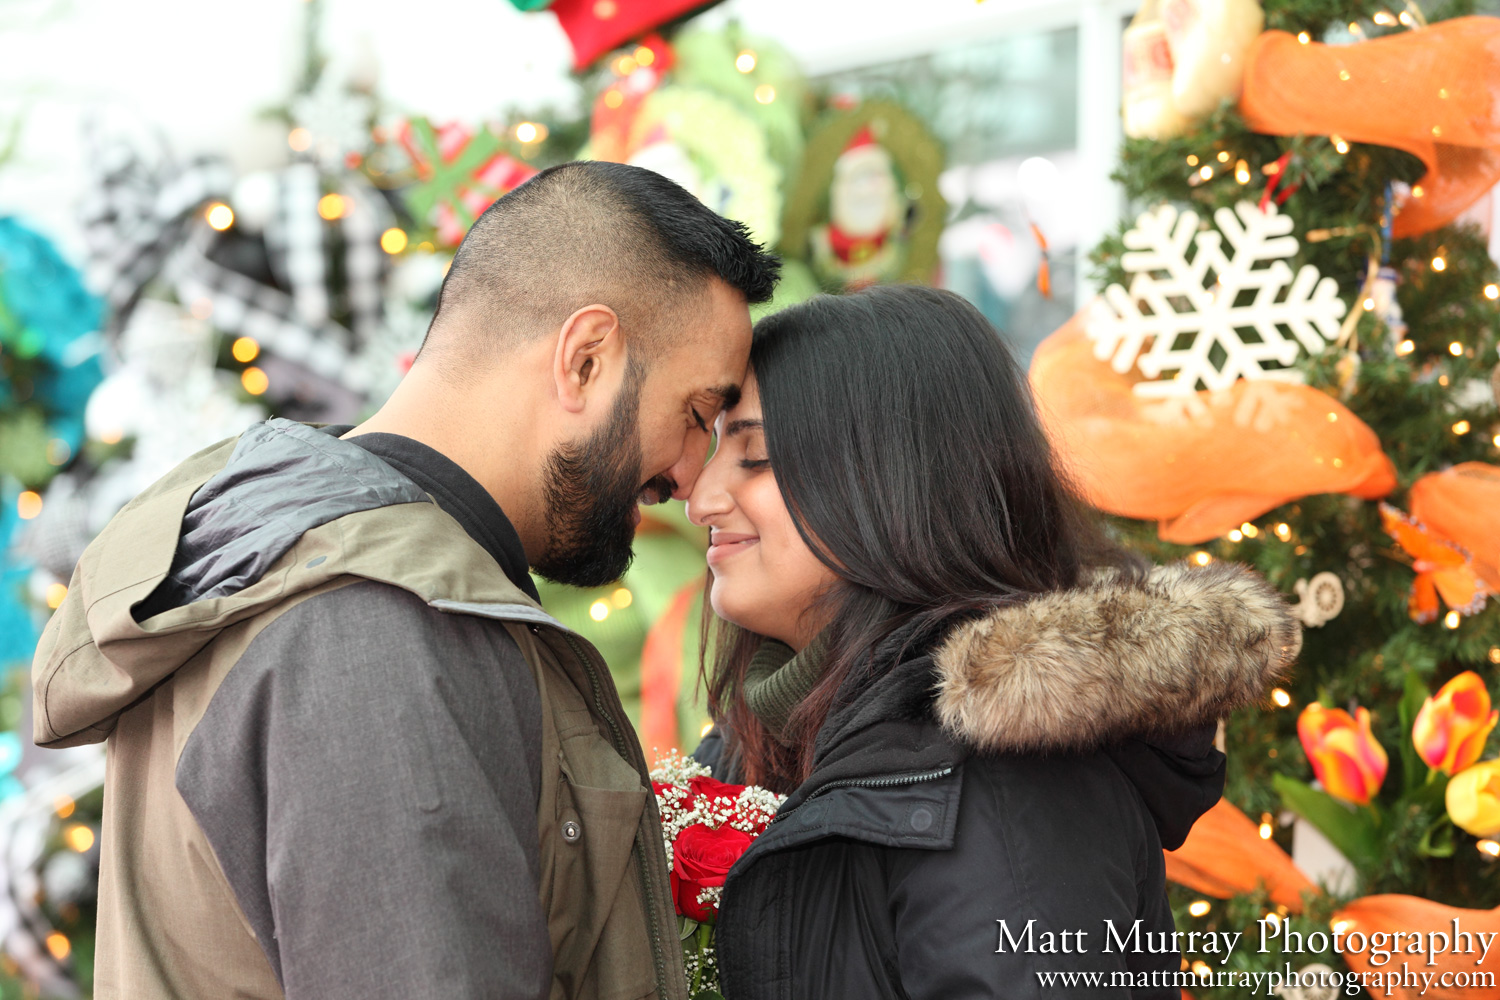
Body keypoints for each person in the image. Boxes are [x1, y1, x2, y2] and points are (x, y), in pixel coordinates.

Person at [31, 160, 779, 1000]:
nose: (689, 478)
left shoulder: (316, 570)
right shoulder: (371, 634)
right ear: (586, 359)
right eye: (693, 416)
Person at [687, 286, 1300, 1000]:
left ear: (891, 481)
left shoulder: (1011, 780)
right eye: (711, 451)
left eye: (754, 457)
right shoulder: (757, 741)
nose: (700, 498)